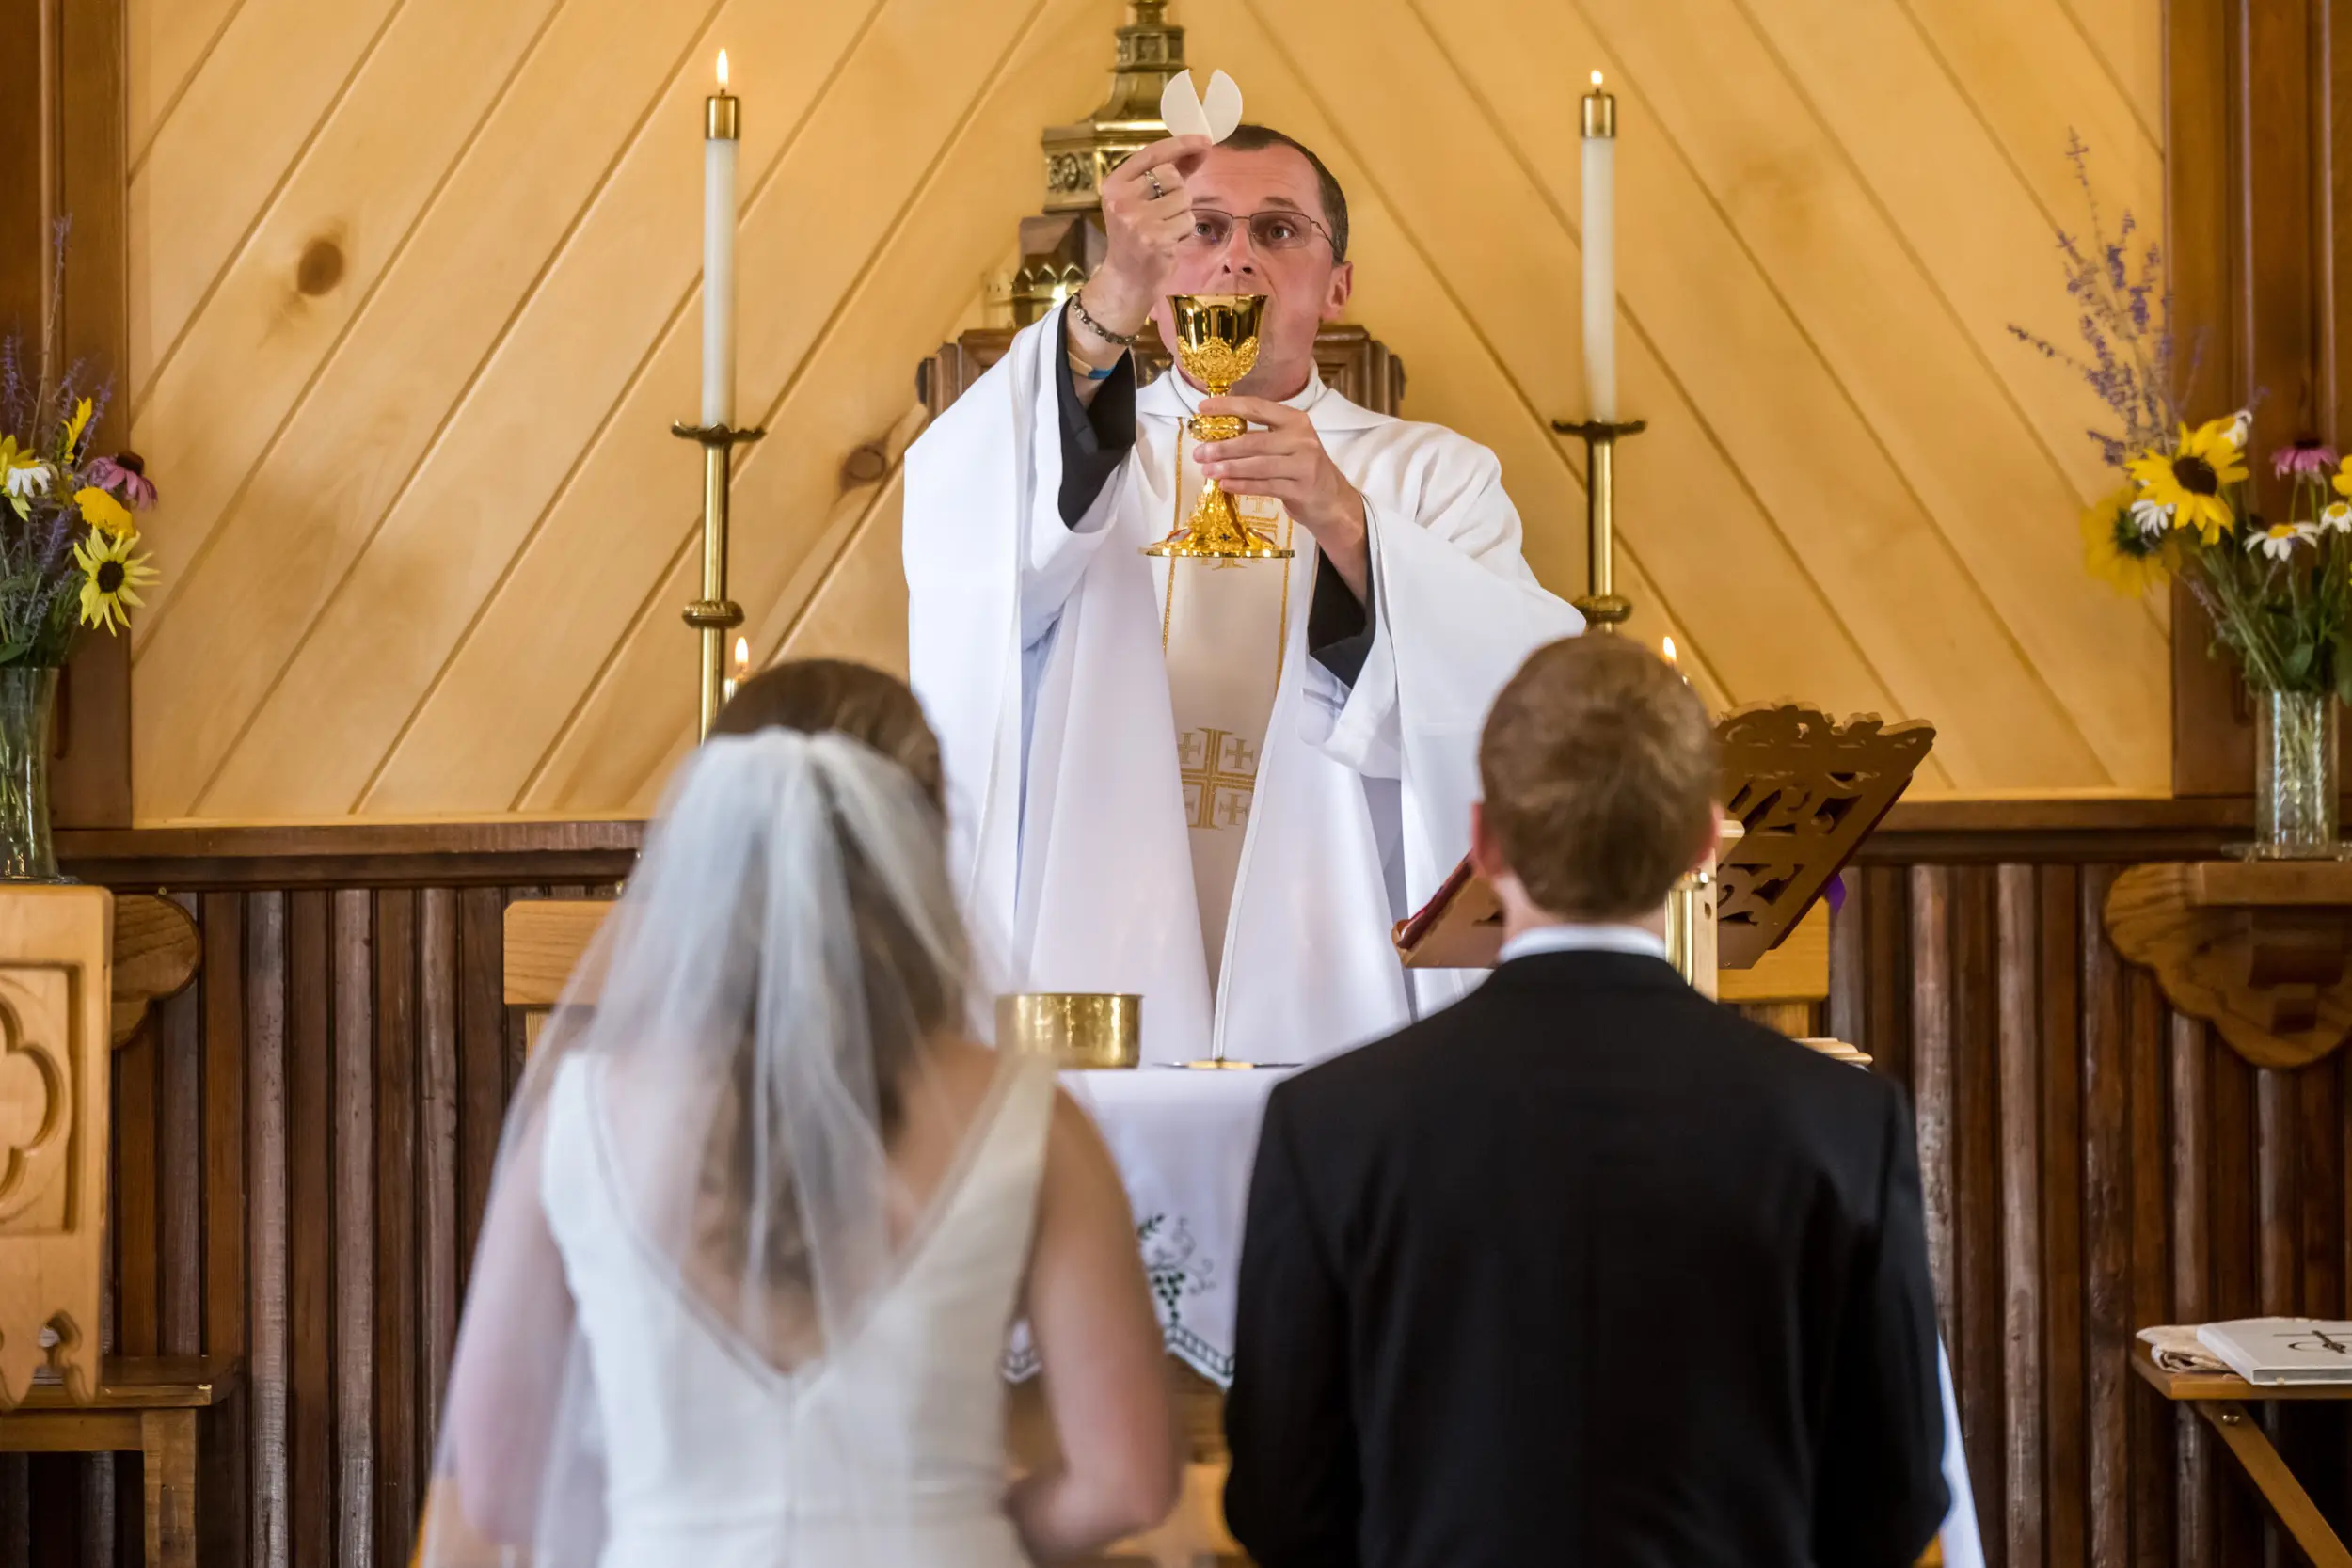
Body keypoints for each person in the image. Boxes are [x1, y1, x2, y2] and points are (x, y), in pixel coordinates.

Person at [421, 658, 1180, 1567]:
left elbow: (502, 1485)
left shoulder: (579, 1120)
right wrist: (972, 1529)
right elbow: (1130, 1477)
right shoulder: (1033, 1123)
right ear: (921, 849)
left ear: (710, 848)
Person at [1221, 636, 1954, 1568]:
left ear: (1483, 841)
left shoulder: (1329, 1125)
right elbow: (1890, 1498)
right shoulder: (1843, 1123)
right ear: (1701, 841)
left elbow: (1282, 1499)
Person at [906, 123, 1581, 1068]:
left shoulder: (1431, 477)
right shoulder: (1086, 444)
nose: (1235, 260)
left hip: (1342, 957)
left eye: (1277, 231)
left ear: (1337, 283)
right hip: (1100, 934)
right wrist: (1107, 300)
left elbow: (1528, 697)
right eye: (1204, 228)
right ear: (1158, 265)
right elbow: (967, 555)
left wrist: (1348, 522)